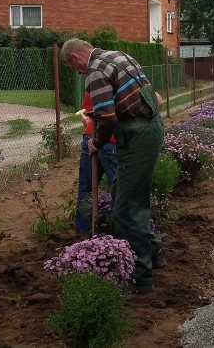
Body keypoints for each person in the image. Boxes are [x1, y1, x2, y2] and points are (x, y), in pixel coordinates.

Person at [62, 39, 165, 293]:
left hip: (136, 134)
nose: (79, 73)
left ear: (75, 57)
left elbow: (107, 118)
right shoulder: (118, 56)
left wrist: (96, 143)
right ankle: (154, 252)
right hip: (150, 127)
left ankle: (141, 277)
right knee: (122, 192)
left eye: (75, 69)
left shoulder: (95, 71)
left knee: (126, 210)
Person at [75, 91, 118, 234]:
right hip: (112, 138)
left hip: (90, 136)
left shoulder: (93, 81)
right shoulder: (121, 80)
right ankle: (122, 230)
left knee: (86, 187)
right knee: (119, 187)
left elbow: (88, 113)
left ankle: (83, 231)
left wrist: (88, 121)